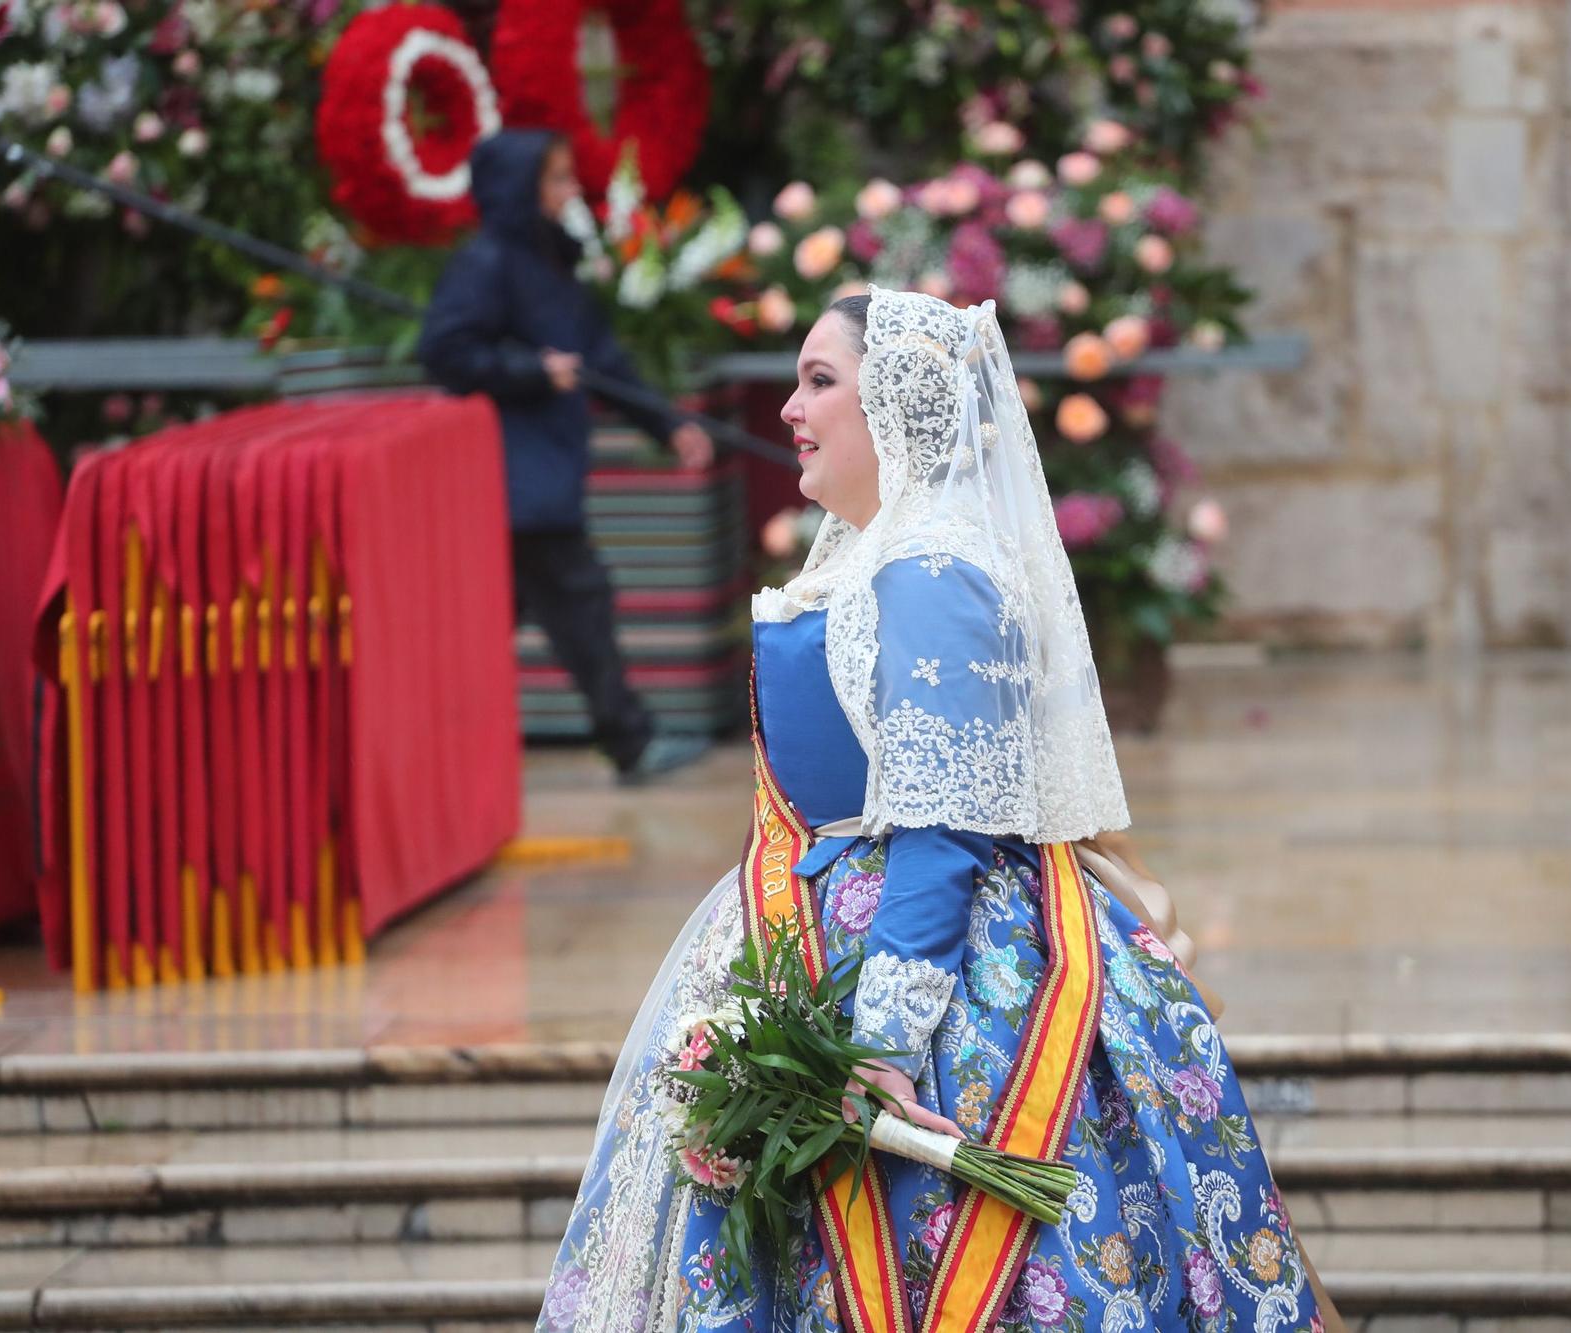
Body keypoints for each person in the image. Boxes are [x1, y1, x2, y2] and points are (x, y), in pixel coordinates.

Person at [538, 287, 1338, 1331]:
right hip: (825, 931)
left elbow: (942, 825)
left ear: (899, 407)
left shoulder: (931, 569)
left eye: (817, 380)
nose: (789, 407)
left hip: (932, 980)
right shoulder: (875, 555)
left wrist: (875, 1045)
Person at [420, 130, 716, 784]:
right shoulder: (487, 262)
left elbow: (601, 361)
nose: (567, 192)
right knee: (574, 604)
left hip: (543, 471)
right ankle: (628, 742)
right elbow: (445, 349)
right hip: (509, 475)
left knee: (509, 618)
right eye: (554, 180)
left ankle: (430, 753)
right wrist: (528, 369)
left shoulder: (553, 260)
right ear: (518, 189)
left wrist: (666, 424)